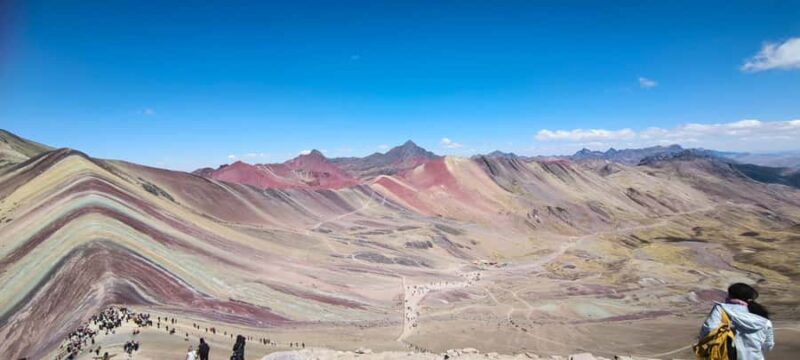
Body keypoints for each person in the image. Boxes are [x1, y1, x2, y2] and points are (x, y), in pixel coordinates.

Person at [699, 283, 774, 360]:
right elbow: (768, 345)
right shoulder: (764, 319)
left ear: (730, 295)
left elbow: (709, 329)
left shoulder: (721, 309)